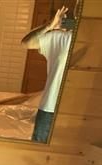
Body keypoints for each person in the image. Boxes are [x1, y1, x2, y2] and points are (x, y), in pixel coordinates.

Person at [21, 6, 75, 142]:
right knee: (38, 150)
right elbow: (26, 43)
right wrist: (49, 26)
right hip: (50, 108)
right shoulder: (61, 37)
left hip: (79, 111)